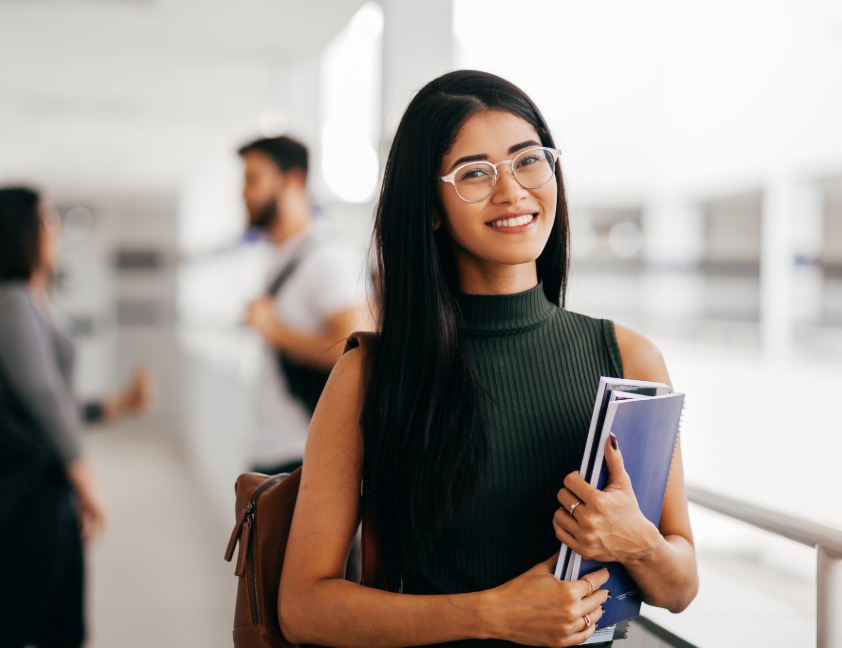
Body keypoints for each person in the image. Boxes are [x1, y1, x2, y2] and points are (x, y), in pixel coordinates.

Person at [278, 70, 699, 647]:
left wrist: (637, 541)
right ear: (428, 206)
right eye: (475, 173)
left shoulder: (629, 357)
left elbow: (679, 588)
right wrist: (494, 614)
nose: (512, 191)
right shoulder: (370, 374)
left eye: (529, 160)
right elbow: (302, 605)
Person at [0, 186, 152, 648]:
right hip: (29, 493)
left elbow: (56, 401)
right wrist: (85, 476)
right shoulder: (10, 300)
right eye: (47, 220)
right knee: (28, 624)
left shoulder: (30, 299)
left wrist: (119, 404)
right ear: (20, 230)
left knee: (63, 628)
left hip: (48, 487)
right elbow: (43, 397)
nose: (56, 230)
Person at [239, 135, 371, 475]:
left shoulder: (329, 257)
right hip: (277, 451)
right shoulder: (282, 258)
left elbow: (355, 348)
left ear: (292, 181)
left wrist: (275, 331)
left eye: (253, 179)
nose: (243, 193)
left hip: (306, 457)